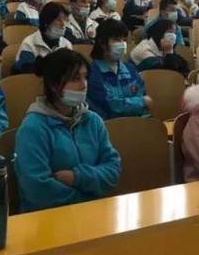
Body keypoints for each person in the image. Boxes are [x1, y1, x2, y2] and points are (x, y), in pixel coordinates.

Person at [15, 50, 121, 212]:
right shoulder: (33, 128)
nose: (84, 85)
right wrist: (87, 200)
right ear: (53, 85)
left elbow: (113, 169)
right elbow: (37, 190)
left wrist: (77, 178)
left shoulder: (93, 121)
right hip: (47, 218)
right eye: (75, 79)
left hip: (94, 213)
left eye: (85, 77)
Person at [87, 19, 150, 119]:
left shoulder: (130, 69)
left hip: (137, 124)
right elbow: (110, 107)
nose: (122, 44)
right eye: (116, 39)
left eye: (123, 40)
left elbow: (143, 100)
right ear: (102, 43)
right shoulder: (92, 73)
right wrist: (141, 102)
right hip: (108, 126)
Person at [14, 2, 73, 73]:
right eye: (58, 20)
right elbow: (27, 73)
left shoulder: (66, 44)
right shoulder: (29, 43)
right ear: (46, 22)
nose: (63, 24)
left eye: (65, 20)